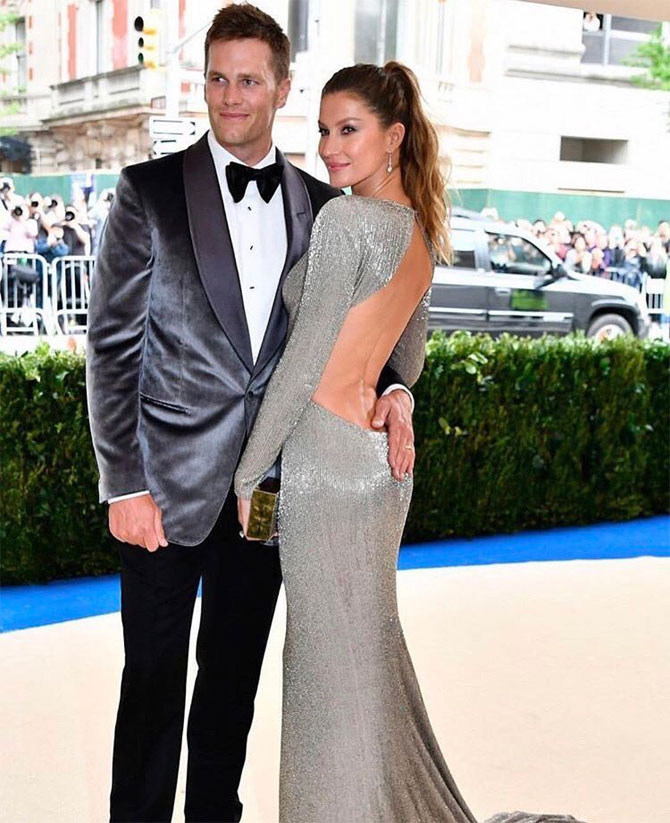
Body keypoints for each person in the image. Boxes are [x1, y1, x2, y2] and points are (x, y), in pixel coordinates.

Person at [86, 5, 414, 822]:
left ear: (282, 87)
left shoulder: (321, 202)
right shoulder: (147, 192)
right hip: (163, 489)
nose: (230, 97)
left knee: (231, 690)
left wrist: (400, 389)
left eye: (250, 79)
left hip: (274, 488)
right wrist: (122, 482)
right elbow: (112, 347)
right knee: (153, 689)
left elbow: (391, 321)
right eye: (218, 78)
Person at [234, 62, 584, 823]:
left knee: (326, 675)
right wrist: (397, 396)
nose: (329, 147)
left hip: (325, 465)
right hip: (377, 472)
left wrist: (249, 472)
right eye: (324, 130)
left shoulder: (345, 222)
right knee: (362, 661)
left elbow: (301, 367)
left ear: (393, 137)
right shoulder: (416, 232)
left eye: (348, 129)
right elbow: (411, 361)